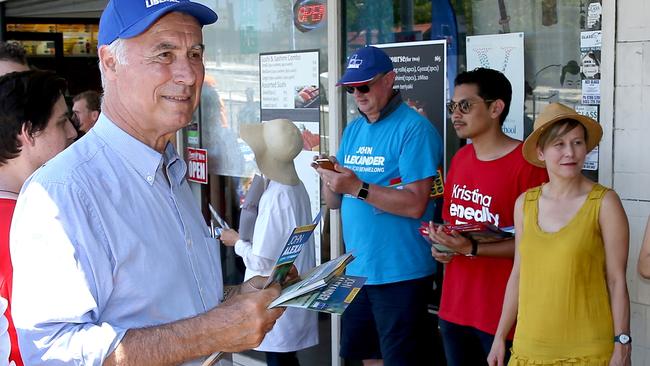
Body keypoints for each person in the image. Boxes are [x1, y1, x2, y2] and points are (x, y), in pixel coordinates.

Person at [9, 1, 283, 364]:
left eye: (195, 53)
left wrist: (239, 299)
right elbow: (52, 352)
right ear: (110, 62)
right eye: (164, 54)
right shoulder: (62, 193)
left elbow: (169, 306)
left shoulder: (169, 170)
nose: (188, 74)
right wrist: (214, 329)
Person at [314, 46, 443, 365]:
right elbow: (334, 202)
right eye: (351, 88)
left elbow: (416, 204)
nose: (357, 94)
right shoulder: (354, 129)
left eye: (364, 85)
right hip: (358, 269)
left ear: (389, 80)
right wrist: (328, 178)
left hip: (400, 271)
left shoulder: (414, 129)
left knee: (399, 359)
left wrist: (356, 186)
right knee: (364, 356)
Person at [487, 102, 631, 365]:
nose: (570, 152)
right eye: (559, 144)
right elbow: (518, 274)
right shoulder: (525, 204)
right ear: (541, 152)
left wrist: (622, 345)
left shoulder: (604, 203)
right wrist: (499, 336)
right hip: (530, 348)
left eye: (577, 142)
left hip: (588, 351)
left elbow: (616, 281)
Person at [428, 68, 548, 365]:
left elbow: (537, 246)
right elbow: (452, 224)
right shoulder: (460, 158)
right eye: (452, 106)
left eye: (466, 105)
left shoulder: (528, 166)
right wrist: (443, 246)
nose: (456, 114)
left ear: (496, 108)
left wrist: (472, 248)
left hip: (504, 315)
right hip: (455, 306)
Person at [220, 119, 318, 366]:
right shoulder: (296, 187)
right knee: (285, 359)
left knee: (278, 360)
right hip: (290, 293)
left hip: (275, 297)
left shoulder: (276, 196)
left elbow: (261, 259)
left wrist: (236, 241)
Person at [0, 70, 78, 366]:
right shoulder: (26, 223)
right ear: (28, 132)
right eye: (61, 122)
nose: (72, 132)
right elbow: (43, 343)